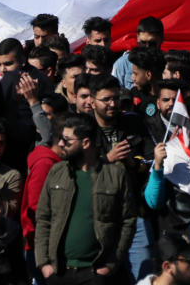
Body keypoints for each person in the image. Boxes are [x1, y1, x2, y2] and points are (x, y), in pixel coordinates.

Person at [35, 114, 137, 281]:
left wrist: (111, 265)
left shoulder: (115, 174)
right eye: (60, 138)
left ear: (86, 143)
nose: (60, 144)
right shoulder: (57, 172)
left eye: (67, 140)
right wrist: (44, 264)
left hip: (95, 273)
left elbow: (128, 221)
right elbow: (43, 218)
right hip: (59, 272)